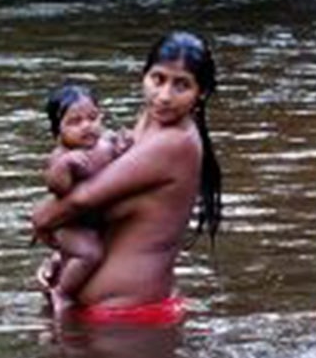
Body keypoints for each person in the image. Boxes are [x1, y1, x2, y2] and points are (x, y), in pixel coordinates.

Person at [28, 30, 222, 326]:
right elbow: (119, 210)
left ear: (201, 93)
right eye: (158, 79)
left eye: (181, 85)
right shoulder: (150, 119)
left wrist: (41, 218)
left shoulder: (175, 142)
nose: (164, 96)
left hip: (129, 318)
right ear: (143, 75)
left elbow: (85, 198)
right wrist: (65, 258)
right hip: (112, 317)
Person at [35, 82, 131, 311]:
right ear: (58, 131)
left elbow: (120, 164)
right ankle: (62, 293)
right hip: (71, 226)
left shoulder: (105, 142)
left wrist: (123, 147)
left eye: (92, 117)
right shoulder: (61, 156)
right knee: (90, 254)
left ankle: (60, 263)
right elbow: (58, 189)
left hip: (97, 220)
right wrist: (65, 167)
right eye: (75, 122)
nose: (87, 126)